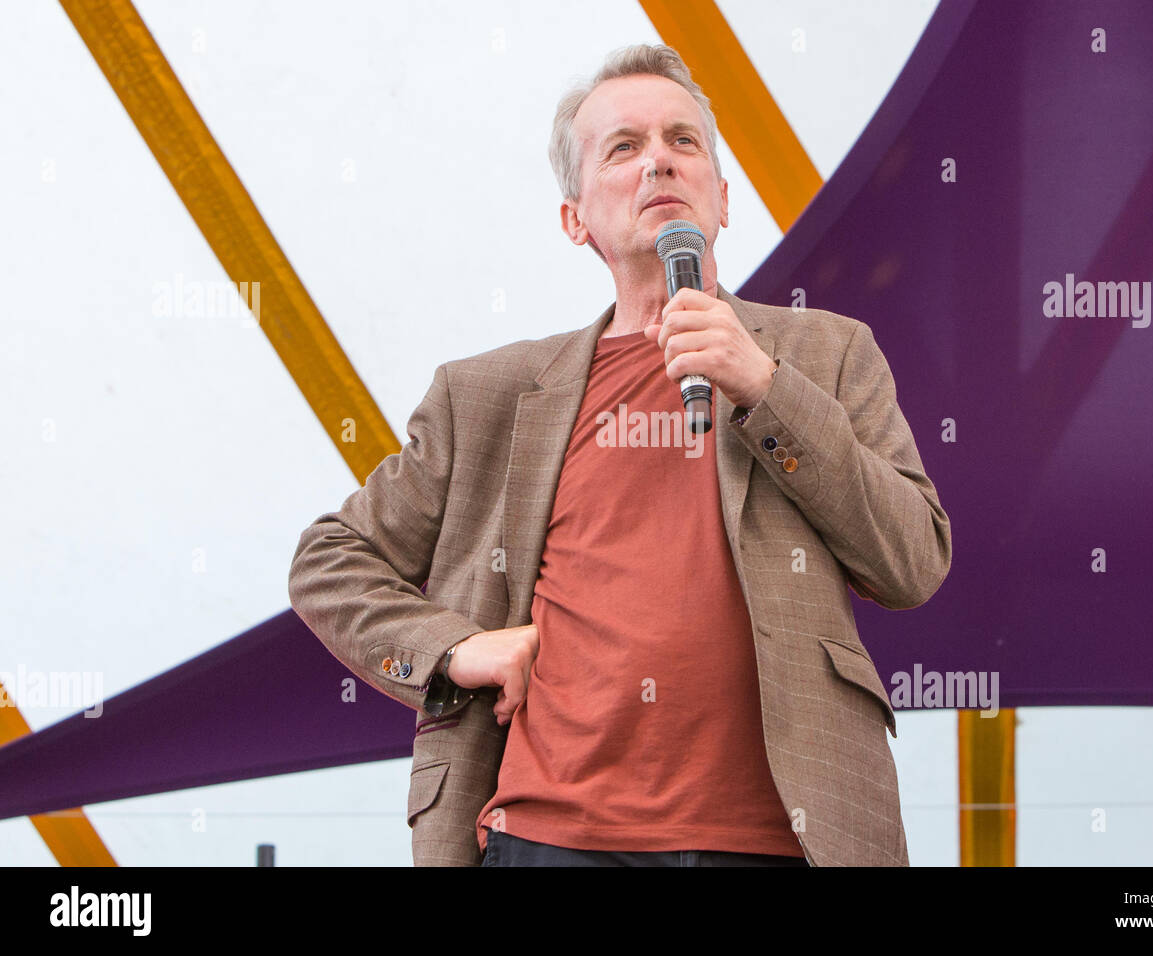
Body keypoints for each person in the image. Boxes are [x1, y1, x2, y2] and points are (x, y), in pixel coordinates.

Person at [288, 43, 951, 868]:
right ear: (575, 218)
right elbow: (327, 560)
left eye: (684, 141)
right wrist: (453, 650)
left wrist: (763, 388)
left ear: (724, 197)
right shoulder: (486, 395)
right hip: (549, 838)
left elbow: (913, 560)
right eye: (624, 147)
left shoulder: (828, 353)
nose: (659, 162)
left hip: (782, 842)